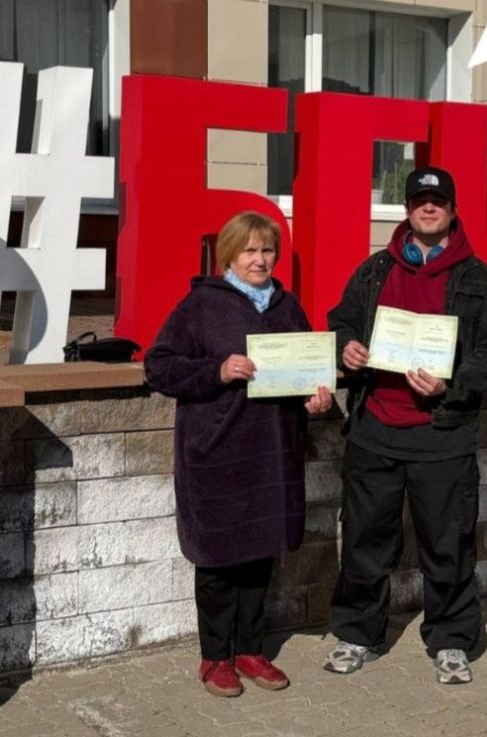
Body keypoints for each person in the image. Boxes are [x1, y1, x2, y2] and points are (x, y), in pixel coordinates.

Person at [323, 166, 487, 684]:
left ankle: (452, 640)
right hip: (374, 430)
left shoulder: (480, 279)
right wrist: (348, 346)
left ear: (452, 210)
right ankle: (358, 633)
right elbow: (340, 320)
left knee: (448, 544)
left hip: (442, 432)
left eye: (438, 200)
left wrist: (449, 387)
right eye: (419, 200)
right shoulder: (373, 271)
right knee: (364, 541)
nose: (428, 207)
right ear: (407, 209)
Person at [145, 211, 331, 698]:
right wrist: (218, 370)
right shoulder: (202, 305)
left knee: (259, 556)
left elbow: (308, 369)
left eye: (267, 250)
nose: (259, 259)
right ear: (230, 254)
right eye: (249, 250)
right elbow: (159, 367)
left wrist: (319, 395)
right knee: (218, 560)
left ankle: (251, 649)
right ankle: (215, 657)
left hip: (273, 452)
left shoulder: (287, 306)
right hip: (218, 453)